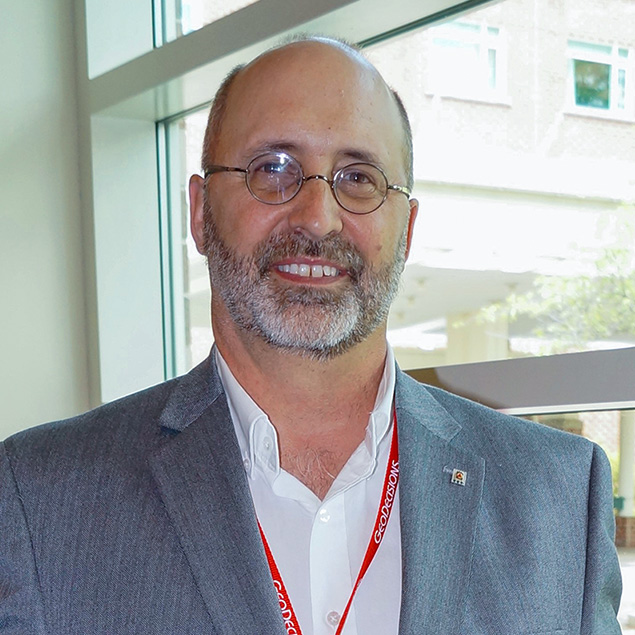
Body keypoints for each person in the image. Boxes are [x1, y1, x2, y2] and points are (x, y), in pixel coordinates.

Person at [0, 36, 622, 634]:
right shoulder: (40, 501)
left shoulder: (558, 498)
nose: (318, 217)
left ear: (405, 230)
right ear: (199, 210)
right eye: (273, 168)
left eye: (358, 177)